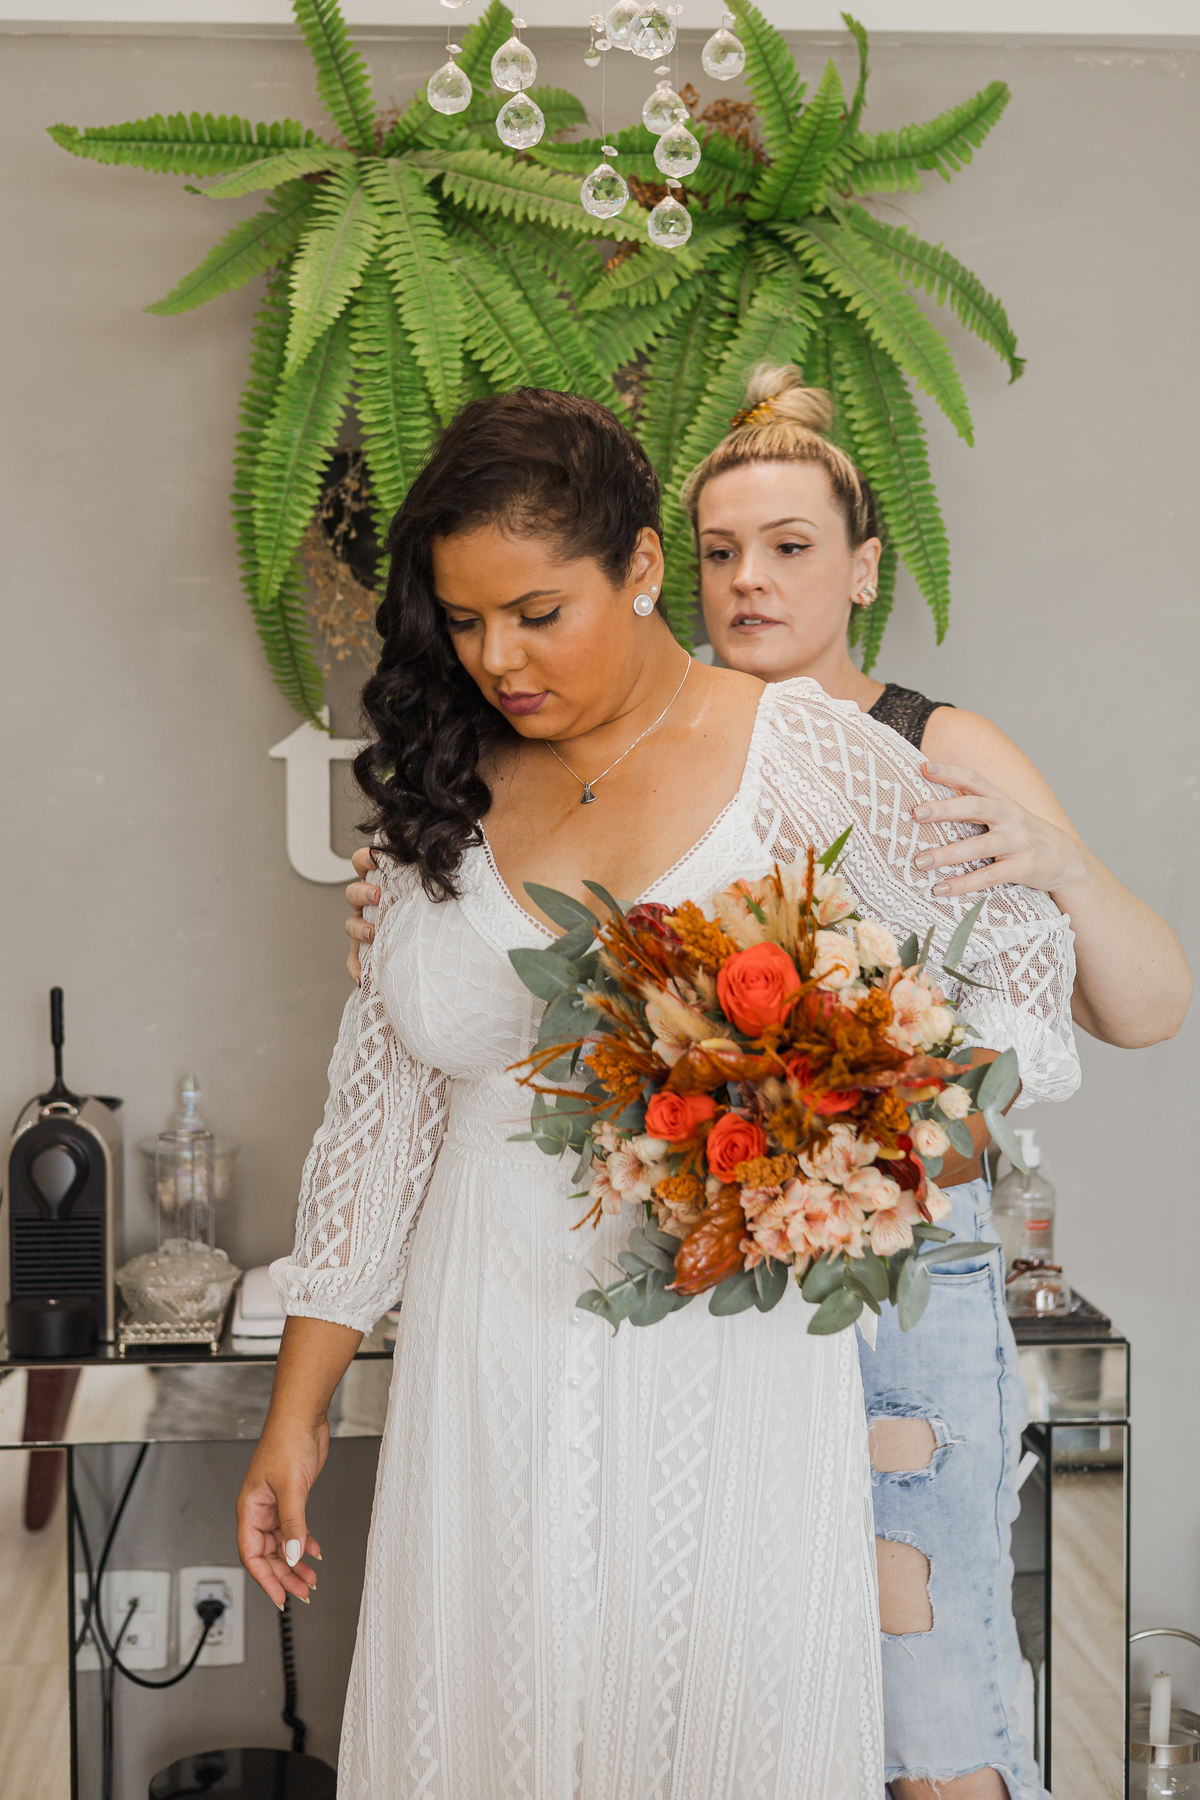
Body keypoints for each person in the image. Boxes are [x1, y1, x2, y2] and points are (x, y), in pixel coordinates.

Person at [338, 367, 1188, 1800]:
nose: (749, 580)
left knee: (928, 1723)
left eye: (790, 545)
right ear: (678, 562)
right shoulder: (618, 763)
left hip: (884, 1304)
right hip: (693, 1304)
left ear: (863, 568)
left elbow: (1130, 1003)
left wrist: (1055, 864)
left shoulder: (923, 750)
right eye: (724, 547)